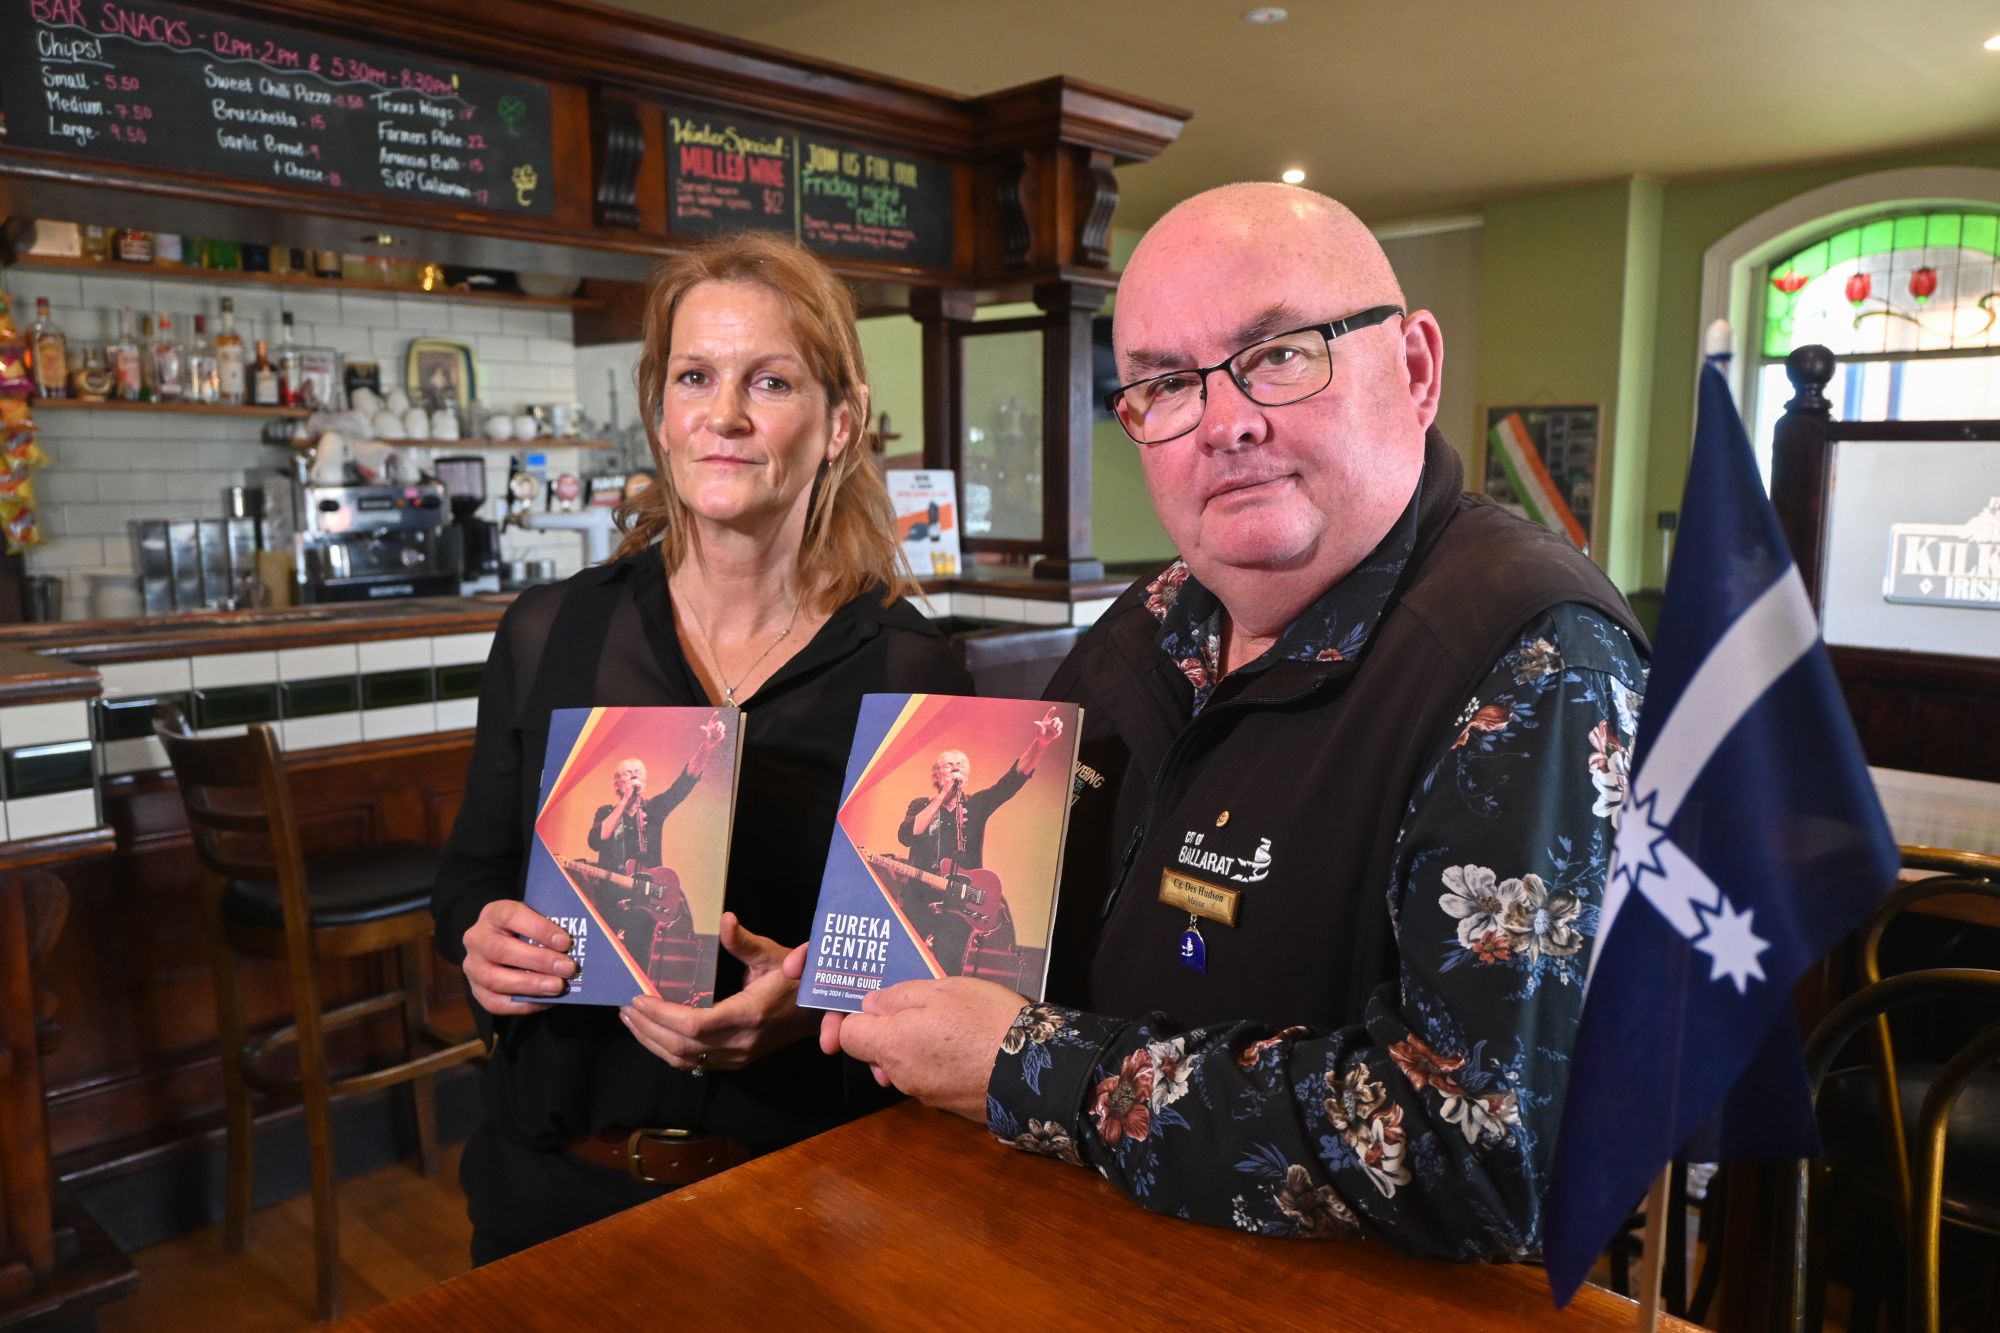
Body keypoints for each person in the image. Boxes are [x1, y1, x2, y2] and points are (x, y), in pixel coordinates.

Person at [813, 183, 1650, 1260]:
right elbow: (1015, 919)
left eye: (1280, 354)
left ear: (1414, 367)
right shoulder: (1151, 622)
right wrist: (868, 965)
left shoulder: (1532, 652)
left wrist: (1030, 1065)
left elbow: (1482, 1151)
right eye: (1164, 383)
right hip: (1070, 1252)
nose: (1225, 421)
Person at [433, 231, 971, 1264]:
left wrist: (810, 994)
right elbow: (471, 871)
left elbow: (937, 979)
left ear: (838, 424)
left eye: (768, 381)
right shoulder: (551, 632)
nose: (722, 415)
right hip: (555, 1186)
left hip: (811, 1198)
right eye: (694, 377)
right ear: (660, 416)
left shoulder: (910, 663)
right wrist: (485, 933)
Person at [890, 709, 1065, 974]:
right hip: (917, 899)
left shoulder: (978, 805)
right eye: (949, 764)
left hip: (959, 905)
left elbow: (1012, 780)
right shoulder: (921, 804)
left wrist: (1040, 744)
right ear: (936, 775)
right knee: (902, 965)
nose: (956, 766)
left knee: (947, 972)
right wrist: (942, 797)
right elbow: (908, 835)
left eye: (961, 764)